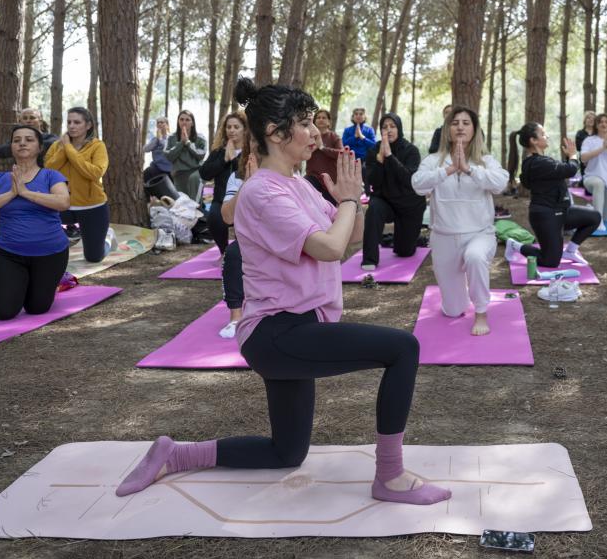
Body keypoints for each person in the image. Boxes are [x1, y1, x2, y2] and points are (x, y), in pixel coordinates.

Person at [116, 77, 450, 508]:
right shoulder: (262, 192)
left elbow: (351, 236)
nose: (315, 133)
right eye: (305, 124)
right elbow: (329, 247)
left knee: (286, 453)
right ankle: (390, 476)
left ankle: (175, 453)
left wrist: (354, 199)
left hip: (300, 328)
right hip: (278, 332)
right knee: (402, 349)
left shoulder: (300, 185)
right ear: (275, 133)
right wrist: (346, 204)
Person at [411, 106, 508, 336]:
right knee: (453, 310)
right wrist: (449, 170)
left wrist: (468, 170)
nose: (460, 127)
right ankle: (461, 295)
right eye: (455, 123)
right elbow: (417, 184)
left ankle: (482, 313)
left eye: (466, 122)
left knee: (474, 257)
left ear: (474, 130)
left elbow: (500, 183)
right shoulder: (434, 160)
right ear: (447, 129)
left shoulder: (486, 161)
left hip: (480, 234)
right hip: (444, 238)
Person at [0, 125, 72, 320]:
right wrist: (11, 193)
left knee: (37, 308)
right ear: (11, 147)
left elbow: (63, 202)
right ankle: (3, 289)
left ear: (39, 147)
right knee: (2, 312)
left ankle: (49, 284)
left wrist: (26, 192)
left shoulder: (51, 176)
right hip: (9, 253)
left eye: (29, 139)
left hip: (51, 253)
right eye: (17, 140)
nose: (22, 143)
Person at [504, 122, 601, 268]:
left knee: (594, 217)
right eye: (543, 134)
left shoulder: (541, 161)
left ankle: (571, 251)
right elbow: (570, 170)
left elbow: (561, 171)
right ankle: (515, 245)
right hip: (546, 216)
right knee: (550, 262)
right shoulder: (537, 163)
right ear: (533, 140)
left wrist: (570, 158)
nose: (547, 136)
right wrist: (573, 155)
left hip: (562, 211)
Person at [44, 107, 111, 263]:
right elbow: (48, 170)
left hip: (92, 207)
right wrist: (64, 147)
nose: (72, 126)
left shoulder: (97, 146)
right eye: (69, 122)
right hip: (62, 205)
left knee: (94, 257)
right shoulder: (56, 146)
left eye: (77, 122)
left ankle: (107, 239)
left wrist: (69, 148)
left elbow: (95, 173)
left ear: (88, 125)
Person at [362, 112, 426, 271]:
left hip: (409, 204)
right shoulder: (374, 150)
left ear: (399, 129)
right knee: (374, 208)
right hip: (384, 200)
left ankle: (403, 238)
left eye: (392, 126)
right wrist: (380, 160)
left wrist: (389, 156)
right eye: (384, 127)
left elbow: (408, 180)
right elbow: (372, 183)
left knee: (405, 252)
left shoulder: (411, 150)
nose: (389, 130)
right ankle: (369, 259)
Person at [216, 150, 258, 339]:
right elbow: (227, 217)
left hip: (280, 239)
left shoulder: (288, 175)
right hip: (250, 239)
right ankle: (236, 316)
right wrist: (247, 185)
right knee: (232, 253)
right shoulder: (236, 177)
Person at [200, 111, 249, 253]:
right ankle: (224, 251)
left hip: (244, 200)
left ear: (245, 129)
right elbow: (204, 173)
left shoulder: (251, 151)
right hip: (220, 200)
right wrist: (224, 160)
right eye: (229, 127)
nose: (232, 130)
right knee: (213, 218)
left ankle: (243, 253)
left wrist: (234, 158)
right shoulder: (218, 152)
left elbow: (241, 175)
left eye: (236, 127)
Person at [164, 110, 208, 202]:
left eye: (187, 120)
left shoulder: (200, 138)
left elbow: (201, 155)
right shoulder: (171, 138)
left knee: (194, 203)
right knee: (182, 204)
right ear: (178, 122)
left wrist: (188, 143)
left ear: (192, 123)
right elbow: (168, 156)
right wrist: (180, 143)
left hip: (196, 173)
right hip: (179, 175)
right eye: (181, 119)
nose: (184, 122)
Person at [304, 109, 341, 204]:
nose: (321, 119)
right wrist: (313, 147)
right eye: (318, 117)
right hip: (312, 177)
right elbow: (301, 152)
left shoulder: (334, 137)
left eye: (324, 118)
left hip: (330, 180)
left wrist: (322, 147)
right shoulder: (308, 136)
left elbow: (341, 153)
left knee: (329, 210)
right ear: (314, 121)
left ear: (329, 122)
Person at [143, 117, 173, 183]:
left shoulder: (172, 138)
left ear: (167, 126)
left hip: (169, 170)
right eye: (158, 123)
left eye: (162, 122)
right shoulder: (154, 139)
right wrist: (157, 139)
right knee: (146, 173)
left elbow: (166, 148)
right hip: (157, 168)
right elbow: (146, 149)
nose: (159, 124)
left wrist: (160, 139)